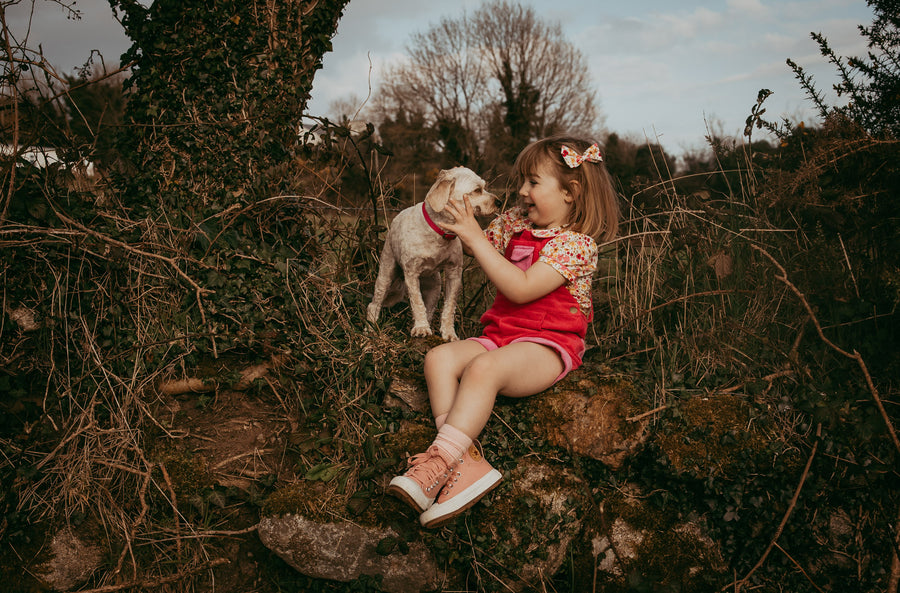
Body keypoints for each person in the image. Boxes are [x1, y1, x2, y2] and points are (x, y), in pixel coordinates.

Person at [387, 135, 620, 528]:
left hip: (547, 345)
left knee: (483, 370)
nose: (521, 191)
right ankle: (467, 465)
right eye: (522, 180)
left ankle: (441, 461)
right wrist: (444, 219)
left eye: (533, 182)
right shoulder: (516, 223)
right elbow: (470, 241)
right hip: (501, 335)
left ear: (570, 192)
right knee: (439, 357)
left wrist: (476, 238)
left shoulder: (577, 246)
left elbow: (520, 287)